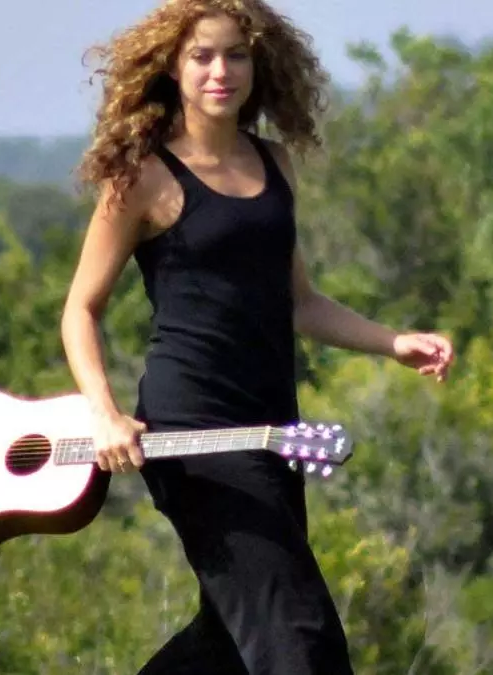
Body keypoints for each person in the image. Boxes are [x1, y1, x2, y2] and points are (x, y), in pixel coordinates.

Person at [59, 1, 455, 672]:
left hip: (272, 427)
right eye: (202, 56)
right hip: (191, 432)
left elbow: (300, 302)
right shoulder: (142, 177)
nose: (221, 71)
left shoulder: (274, 164)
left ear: (258, 63)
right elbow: (80, 310)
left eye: (236, 55)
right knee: (300, 639)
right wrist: (104, 413)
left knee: (228, 641)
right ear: (172, 68)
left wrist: (393, 342)